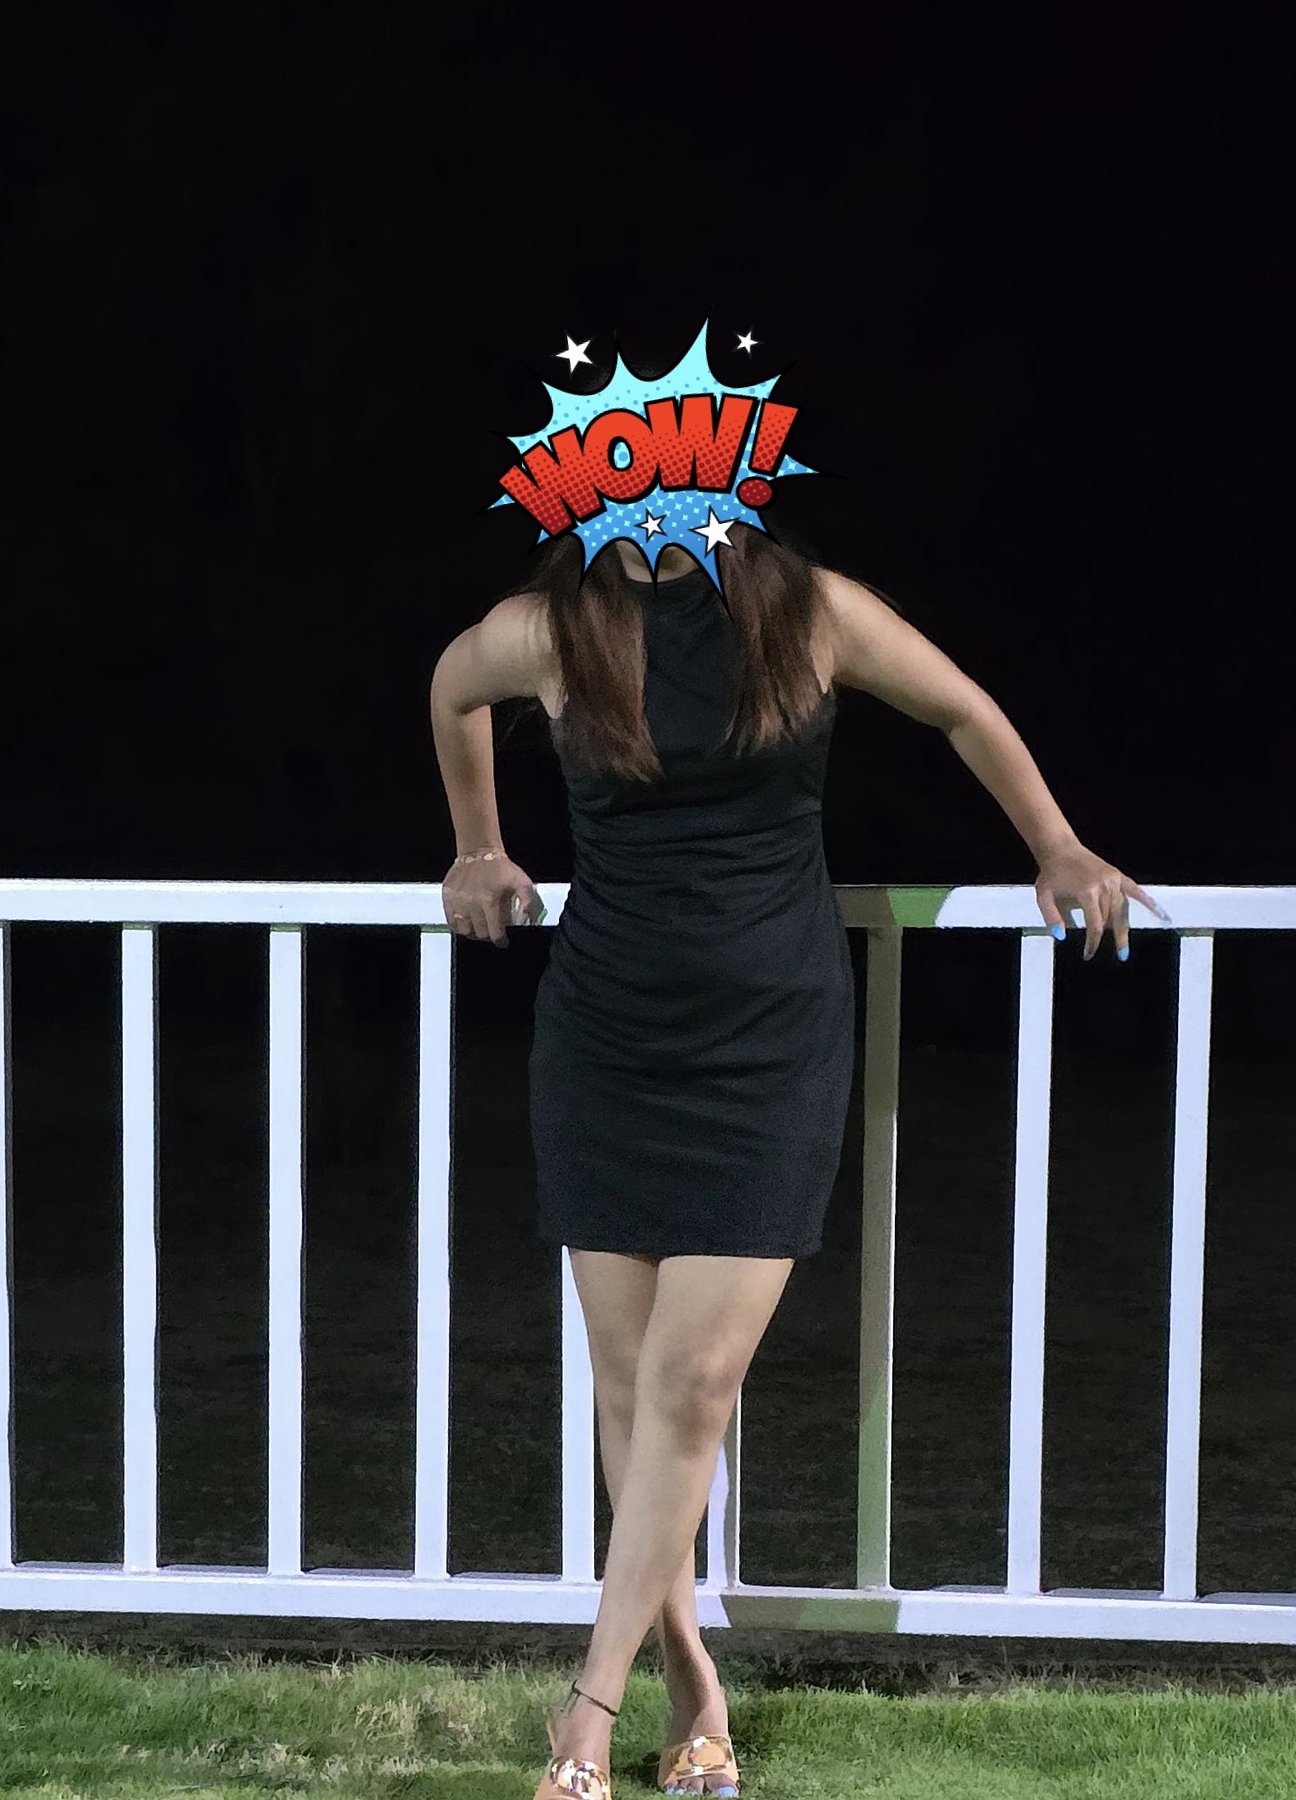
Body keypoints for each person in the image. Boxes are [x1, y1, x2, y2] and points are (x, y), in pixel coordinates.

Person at [429, 523, 1163, 1800]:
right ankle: (689, 1683)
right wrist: (478, 845)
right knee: (628, 1385)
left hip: (767, 1044)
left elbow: (963, 708)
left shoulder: (808, 609)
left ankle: (586, 1710)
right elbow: (451, 688)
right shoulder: (553, 627)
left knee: (695, 1380)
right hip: (607, 1039)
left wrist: (1057, 845)